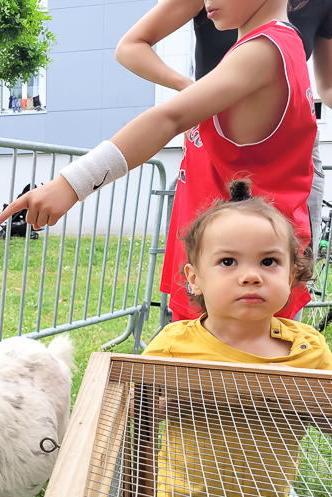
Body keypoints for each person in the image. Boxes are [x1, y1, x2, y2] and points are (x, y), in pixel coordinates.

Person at [0, 0, 318, 321]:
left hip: (236, 281)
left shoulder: (264, 50)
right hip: (233, 267)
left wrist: (72, 184)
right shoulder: (277, 46)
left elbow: (169, 118)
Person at [143, 179, 332, 497]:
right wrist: (176, 403)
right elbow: (141, 410)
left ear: (293, 274)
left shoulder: (308, 349)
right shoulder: (172, 344)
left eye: (269, 261)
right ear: (194, 278)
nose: (251, 275)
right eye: (228, 262)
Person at [114, 0, 332, 305]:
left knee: (269, 271)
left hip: (279, 143)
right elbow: (131, 47)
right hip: (211, 137)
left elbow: (328, 86)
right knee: (203, 270)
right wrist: (194, 93)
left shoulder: (282, 35)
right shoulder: (257, 32)